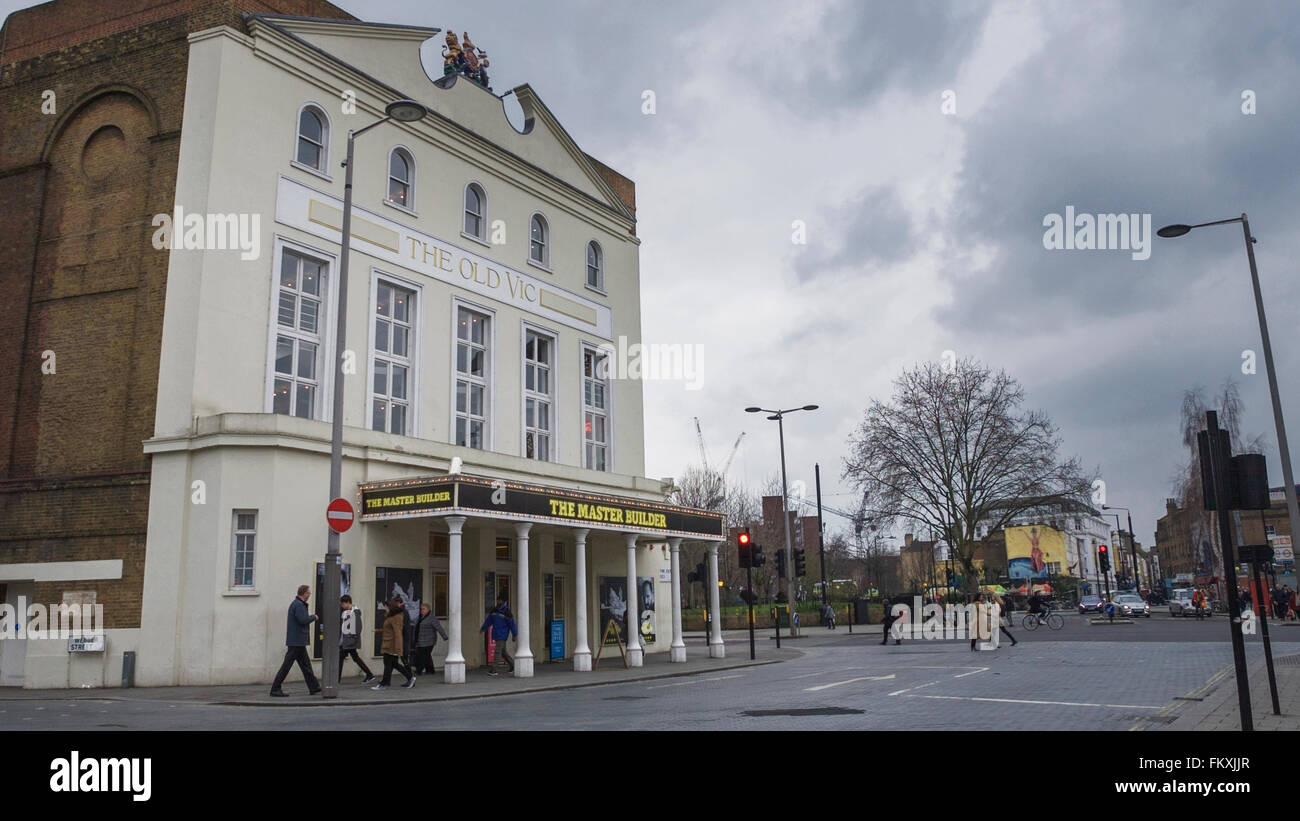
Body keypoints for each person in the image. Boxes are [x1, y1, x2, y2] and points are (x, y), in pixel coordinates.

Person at [270, 585, 321, 697]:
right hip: (296, 641)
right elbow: (302, 620)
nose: (309, 595)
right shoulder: (298, 605)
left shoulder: (297, 604)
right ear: (304, 593)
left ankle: (314, 687)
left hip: (298, 641)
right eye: (308, 593)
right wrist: (314, 617)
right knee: (287, 666)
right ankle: (275, 688)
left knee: (306, 666)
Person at [373, 597, 415, 690]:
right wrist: (379, 631)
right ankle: (409, 677)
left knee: (388, 663)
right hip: (389, 644)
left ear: (391, 608)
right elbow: (389, 629)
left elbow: (398, 633)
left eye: (386, 607)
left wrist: (399, 649)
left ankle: (385, 683)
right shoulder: (391, 617)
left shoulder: (396, 617)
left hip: (392, 645)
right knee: (393, 664)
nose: (385, 609)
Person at [338, 594, 375, 684]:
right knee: (355, 658)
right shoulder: (347, 612)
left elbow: (358, 627)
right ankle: (369, 674)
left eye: (343, 604)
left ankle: (336, 679)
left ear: (348, 602)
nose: (342, 606)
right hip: (347, 641)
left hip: (349, 641)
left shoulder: (355, 613)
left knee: (341, 658)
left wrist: (352, 640)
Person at [480, 600, 517, 676]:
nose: (498, 601)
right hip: (496, 633)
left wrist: (515, 634)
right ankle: (513, 666)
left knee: (497, 652)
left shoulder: (507, 612)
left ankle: (494, 670)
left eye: (500, 600)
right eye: (498, 600)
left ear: (503, 601)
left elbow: (512, 624)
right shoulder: (494, 610)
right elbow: (489, 620)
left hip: (502, 634)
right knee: (503, 652)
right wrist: (483, 628)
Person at [413, 602, 448, 676]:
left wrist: (444, 636)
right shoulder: (419, 618)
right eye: (421, 609)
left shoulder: (432, 618)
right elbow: (415, 628)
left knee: (423, 656)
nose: (422, 610)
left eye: (423, 609)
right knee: (427, 655)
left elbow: (439, 627)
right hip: (420, 640)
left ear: (428, 610)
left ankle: (419, 670)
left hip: (429, 640)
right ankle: (430, 670)